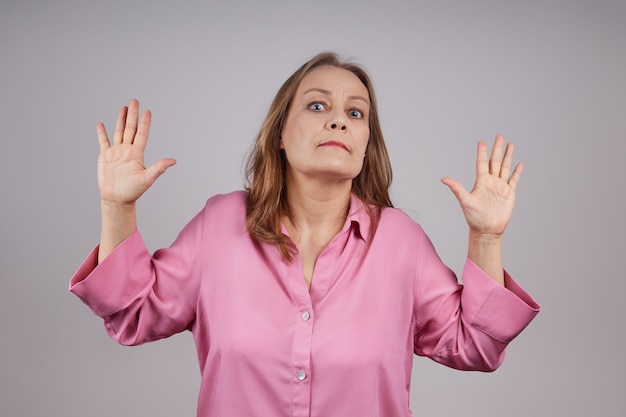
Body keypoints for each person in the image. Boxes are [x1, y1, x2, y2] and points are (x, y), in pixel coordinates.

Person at [70, 52, 540, 417]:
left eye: (357, 114)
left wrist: (487, 237)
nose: (339, 120)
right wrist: (118, 207)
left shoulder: (400, 242)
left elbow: (476, 346)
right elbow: (130, 314)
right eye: (318, 105)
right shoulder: (220, 225)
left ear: (365, 145)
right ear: (279, 133)